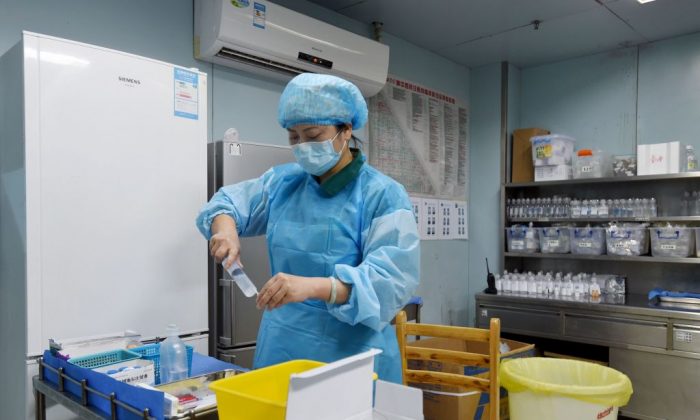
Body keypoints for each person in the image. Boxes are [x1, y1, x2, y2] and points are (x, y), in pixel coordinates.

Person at [196, 73, 420, 382]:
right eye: (294, 137)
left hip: (350, 358)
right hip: (282, 347)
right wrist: (226, 230)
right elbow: (226, 204)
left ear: (346, 130)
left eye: (313, 135)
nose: (302, 146)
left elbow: (389, 284)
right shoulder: (283, 183)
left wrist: (314, 287)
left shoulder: (382, 195)